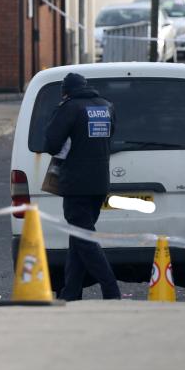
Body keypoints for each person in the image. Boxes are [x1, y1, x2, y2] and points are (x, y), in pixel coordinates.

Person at [44, 72, 121, 301]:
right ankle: (71, 293)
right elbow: (110, 137)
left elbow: (51, 143)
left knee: (85, 240)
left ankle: (111, 289)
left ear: (65, 91)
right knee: (78, 237)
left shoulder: (69, 108)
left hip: (76, 184)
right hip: (99, 183)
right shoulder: (107, 106)